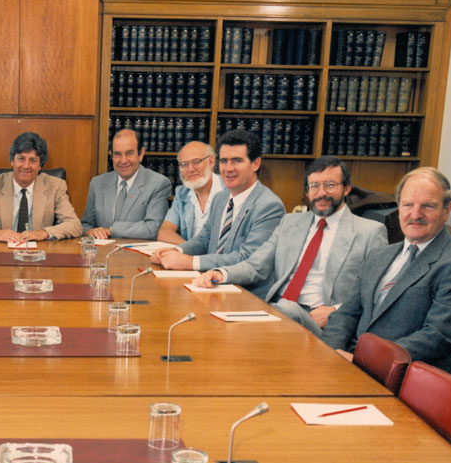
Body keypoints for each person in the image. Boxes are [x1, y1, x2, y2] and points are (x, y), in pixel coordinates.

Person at [195, 156, 387, 334]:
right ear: (306, 191)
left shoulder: (370, 232)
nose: (321, 193)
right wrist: (221, 274)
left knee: (282, 310)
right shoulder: (290, 222)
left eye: (330, 185)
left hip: (320, 322)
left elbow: (376, 292)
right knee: (212, 317)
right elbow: (256, 264)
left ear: (346, 188)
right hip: (277, 310)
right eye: (314, 186)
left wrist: (335, 311)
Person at [321, 167, 451, 372]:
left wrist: (361, 360)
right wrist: (330, 353)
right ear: (398, 207)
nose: (415, 215)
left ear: (447, 210)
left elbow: (437, 336)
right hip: (349, 363)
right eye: (408, 204)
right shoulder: (379, 256)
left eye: (428, 206)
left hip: (402, 376)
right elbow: (346, 313)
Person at [151, 129, 284, 291]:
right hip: (210, 285)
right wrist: (175, 250)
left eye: (237, 161)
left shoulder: (269, 206)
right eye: (224, 161)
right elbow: (204, 240)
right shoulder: (221, 198)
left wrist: (189, 261)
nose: (228, 169)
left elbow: (247, 259)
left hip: (246, 293)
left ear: (255, 164)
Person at [0, 131, 82, 242]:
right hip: (0, 254)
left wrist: (43, 233)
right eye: (21, 159)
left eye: (33, 160)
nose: (26, 166)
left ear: (40, 166)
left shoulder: (55, 186)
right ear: (12, 161)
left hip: (40, 255)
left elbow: (74, 225)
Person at [80, 128, 170, 240]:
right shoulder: (97, 184)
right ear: (111, 155)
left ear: (141, 154)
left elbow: (153, 228)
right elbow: (85, 224)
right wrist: (91, 231)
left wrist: (111, 230)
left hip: (138, 255)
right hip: (102, 253)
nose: (123, 161)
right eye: (117, 154)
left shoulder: (158, 184)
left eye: (129, 153)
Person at [156, 140, 224, 244]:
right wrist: (191, 251)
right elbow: (164, 232)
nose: (190, 169)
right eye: (184, 164)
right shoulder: (182, 193)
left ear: (211, 161)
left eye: (196, 162)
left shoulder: (230, 190)